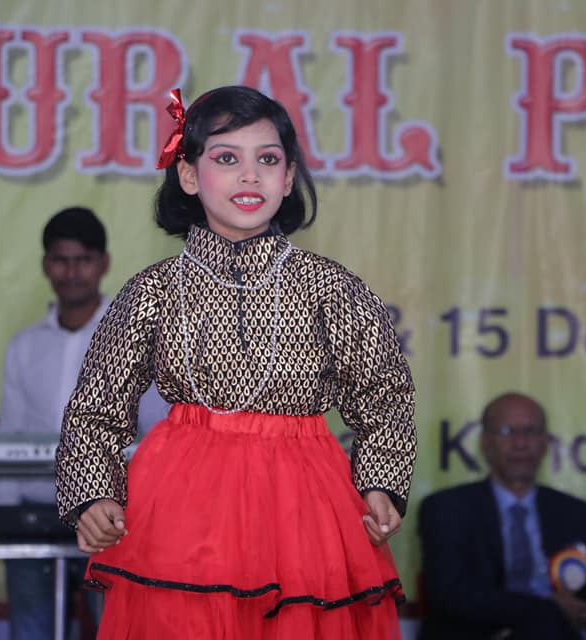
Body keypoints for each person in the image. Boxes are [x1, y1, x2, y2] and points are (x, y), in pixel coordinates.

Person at [54, 86, 416, 639]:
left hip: (304, 512)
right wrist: (93, 492)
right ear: (189, 175)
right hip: (182, 512)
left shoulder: (328, 286)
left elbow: (385, 393)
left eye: (267, 160)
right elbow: (95, 409)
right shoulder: (155, 289)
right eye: (227, 158)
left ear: (288, 178)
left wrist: (381, 484)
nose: (250, 175)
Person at [0, 207, 169, 640]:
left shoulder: (132, 338)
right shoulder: (24, 347)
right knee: (30, 632)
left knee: (115, 629)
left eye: (83, 260)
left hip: (113, 515)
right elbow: (10, 438)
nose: (72, 272)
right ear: (45, 265)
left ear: (104, 263)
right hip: (33, 514)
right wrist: (1, 518)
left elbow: (157, 435)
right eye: (61, 260)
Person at [417, 392, 586, 640]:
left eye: (531, 431)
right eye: (506, 432)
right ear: (485, 443)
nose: (520, 443)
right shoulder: (446, 508)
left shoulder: (580, 514)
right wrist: (548, 609)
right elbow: (449, 594)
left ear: (545, 442)